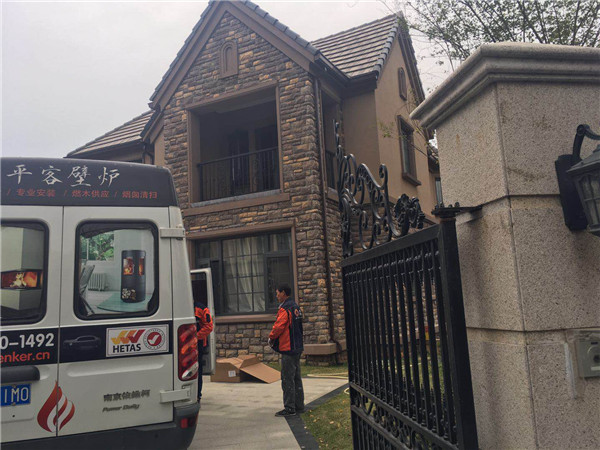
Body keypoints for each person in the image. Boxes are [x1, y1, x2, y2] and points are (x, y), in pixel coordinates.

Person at [268, 284, 304, 417]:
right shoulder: (296, 307)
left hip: (288, 348)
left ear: (283, 293)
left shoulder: (285, 309)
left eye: (278, 293)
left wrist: (271, 337)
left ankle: (289, 408)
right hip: (297, 347)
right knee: (296, 377)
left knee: (287, 378)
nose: (276, 296)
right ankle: (299, 405)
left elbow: (278, 327)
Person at [194, 299, 213, 407]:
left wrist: (195, 337)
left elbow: (209, 326)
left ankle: (197, 395)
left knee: (197, 370)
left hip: (198, 345)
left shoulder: (200, 308)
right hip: (182, 345)